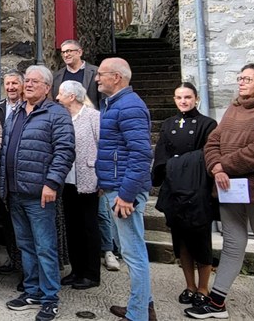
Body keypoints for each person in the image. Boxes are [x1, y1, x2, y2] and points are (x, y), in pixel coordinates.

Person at [186, 63, 254, 321]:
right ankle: (217, 303)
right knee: (232, 244)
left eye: (247, 78)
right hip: (229, 187)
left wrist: (224, 165)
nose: (240, 82)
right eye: (239, 77)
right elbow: (214, 141)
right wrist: (215, 167)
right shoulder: (235, 108)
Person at [0, 66, 75, 320]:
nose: (28, 84)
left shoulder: (56, 113)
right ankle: (32, 291)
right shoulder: (17, 111)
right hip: (15, 191)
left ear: (47, 87)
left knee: (45, 247)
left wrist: (52, 183)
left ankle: (50, 297)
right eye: (27, 80)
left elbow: (65, 151)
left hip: (39, 193)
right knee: (25, 246)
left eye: (34, 81)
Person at [95, 57, 155, 321]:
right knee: (132, 249)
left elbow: (141, 155)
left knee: (133, 253)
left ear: (117, 77)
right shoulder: (117, 104)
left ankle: (138, 314)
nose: (97, 78)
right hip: (116, 188)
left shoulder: (129, 106)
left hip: (124, 192)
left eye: (101, 74)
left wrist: (126, 194)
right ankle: (144, 306)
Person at [150, 82, 218, 307]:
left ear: (196, 98)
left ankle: (203, 287)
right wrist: (166, 170)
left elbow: (208, 154)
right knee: (181, 243)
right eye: (179, 97)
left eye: (187, 97)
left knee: (201, 241)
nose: (183, 101)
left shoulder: (208, 124)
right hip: (174, 190)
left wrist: (183, 164)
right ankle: (189, 285)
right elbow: (162, 153)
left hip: (197, 189)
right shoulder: (169, 124)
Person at [56, 80, 102, 291]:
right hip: (67, 182)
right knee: (72, 227)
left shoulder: (93, 116)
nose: (57, 98)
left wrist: (102, 178)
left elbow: (102, 147)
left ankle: (91, 273)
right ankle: (76, 270)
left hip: (88, 179)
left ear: (71, 96)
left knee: (88, 227)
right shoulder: (62, 118)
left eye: (61, 94)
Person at [0, 69, 24, 276]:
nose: (11, 87)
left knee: (23, 226)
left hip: (20, 172)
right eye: (8, 84)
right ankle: (14, 261)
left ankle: (25, 269)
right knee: (7, 221)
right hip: (1, 170)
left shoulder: (27, 108)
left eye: (15, 83)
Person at [51, 40, 100, 108]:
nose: (65, 55)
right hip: (64, 117)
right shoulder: (57, 76)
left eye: (69, 51)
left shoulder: (95, 72)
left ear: (79, 52)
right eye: (63, 52)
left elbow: (103, 99)